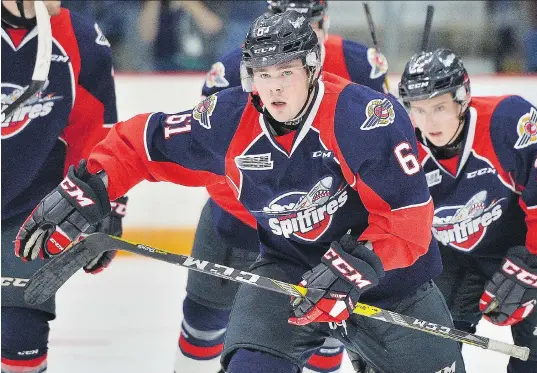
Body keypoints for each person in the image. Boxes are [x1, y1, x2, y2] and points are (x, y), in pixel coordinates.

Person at [15, 11, 465, 373]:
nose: (273, 86)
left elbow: (409, 217)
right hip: (290, 275)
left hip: (391, 284)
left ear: (311, 68)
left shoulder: (364, 118)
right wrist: (90, 183)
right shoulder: (228, 121)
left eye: (285, 71)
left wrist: (364, 261)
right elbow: (146, 144)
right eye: (262, 73)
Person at [179, 1, 390, 372]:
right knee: (203, 320)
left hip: (326, 236)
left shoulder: (359, 65)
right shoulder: (234, 67)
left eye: (308, 25)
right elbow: (210, 157)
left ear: (324, 21)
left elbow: (385, 160)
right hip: (239, 225)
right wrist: (274, 213)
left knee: (324, 336)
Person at [398, 48, 537, 373]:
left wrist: (535, 264)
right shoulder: (402, 145)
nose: (428, 122)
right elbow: (390, 220)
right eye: (418, 110)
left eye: (439, 107)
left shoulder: (509, 122)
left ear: (462, 100)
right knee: (432, 357)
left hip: (536, 251)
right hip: (454, 257)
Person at [1, 1, 127, 372]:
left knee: (20, 338)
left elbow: (96, 136)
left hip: (29, 215)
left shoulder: (84, 40)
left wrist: (105, 206)